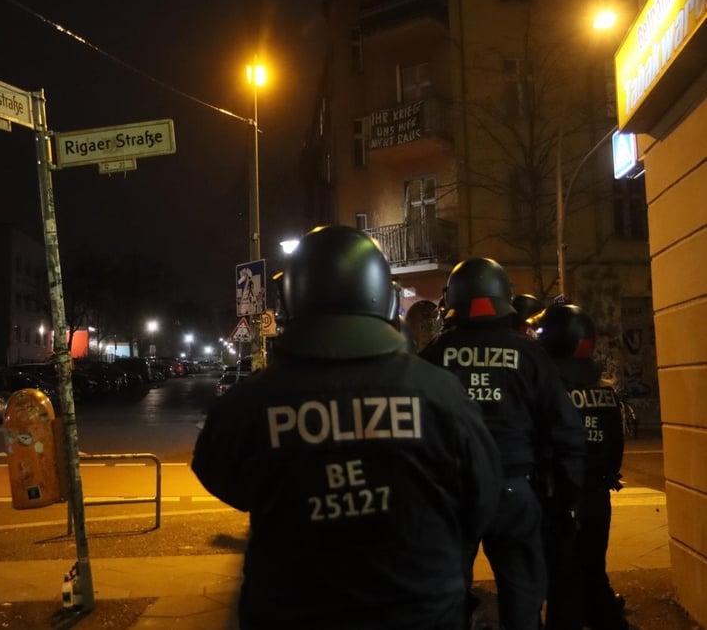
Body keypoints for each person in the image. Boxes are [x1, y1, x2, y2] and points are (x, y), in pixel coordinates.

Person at [192, 226, 503, 630]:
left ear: (291, 301)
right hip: (419, 611)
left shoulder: (249, 403)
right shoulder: (441, 394)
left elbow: (220, 475)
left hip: (292, 612)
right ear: (387, 298)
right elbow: (482, 494)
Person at [419, 257, 585, 630]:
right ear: (502, 297)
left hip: (453, 494)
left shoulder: (435, 354)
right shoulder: (528, 355)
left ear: (453, 301)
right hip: (514, 490)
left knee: (446, 594)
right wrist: (568, 495)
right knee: (523, 594)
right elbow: (564, 429)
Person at [536, 303, 628, 630]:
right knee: (592, 568)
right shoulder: (605, 390)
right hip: (598, 498)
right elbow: (615, 449)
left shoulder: (548, 389)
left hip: (561, 498)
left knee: (563, 584)